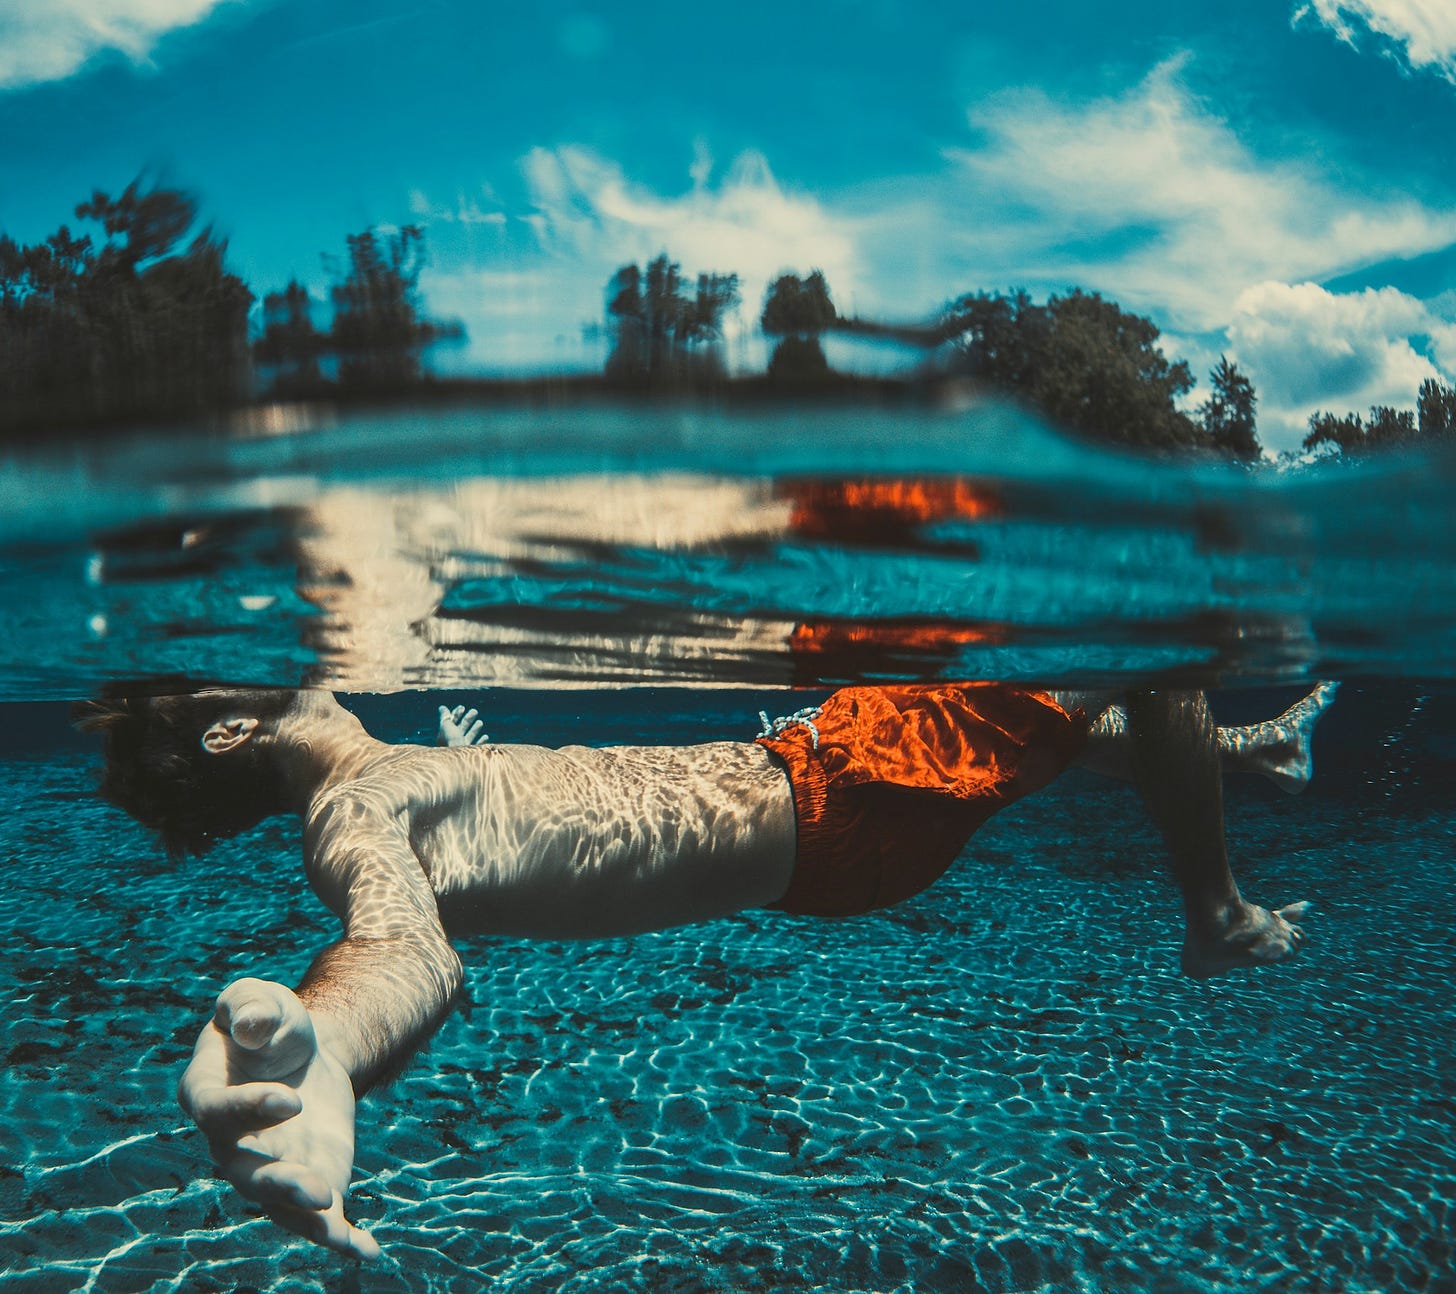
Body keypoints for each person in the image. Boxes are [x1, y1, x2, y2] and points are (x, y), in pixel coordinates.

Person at [75, 679, 1335, 1259]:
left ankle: (1244, 750)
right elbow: (400, 943)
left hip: (822, 820)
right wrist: (329, 1048)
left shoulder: (379, 779)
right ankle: (1215, 911)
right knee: (1155, 655)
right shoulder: (355, 808)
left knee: (1067, 713)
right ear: (229, 725)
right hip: (831, 792)